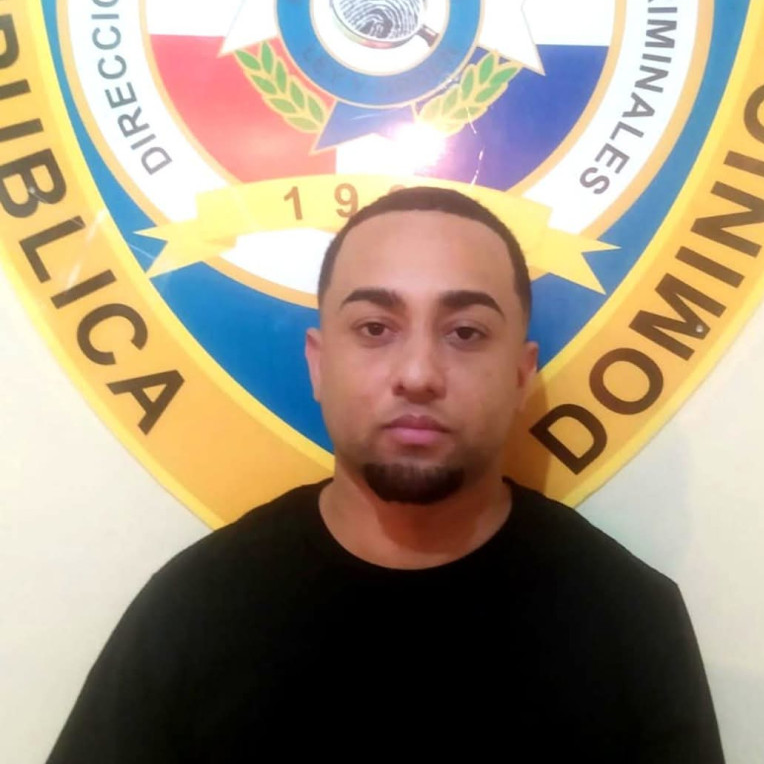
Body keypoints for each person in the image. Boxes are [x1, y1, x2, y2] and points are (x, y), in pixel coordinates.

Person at [47, 187, 725, 762]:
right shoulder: (193, 611)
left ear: (522, 377)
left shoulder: (631, 622)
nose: (419, 374)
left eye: (465, 332)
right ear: (319, 364)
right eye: (375, 328)